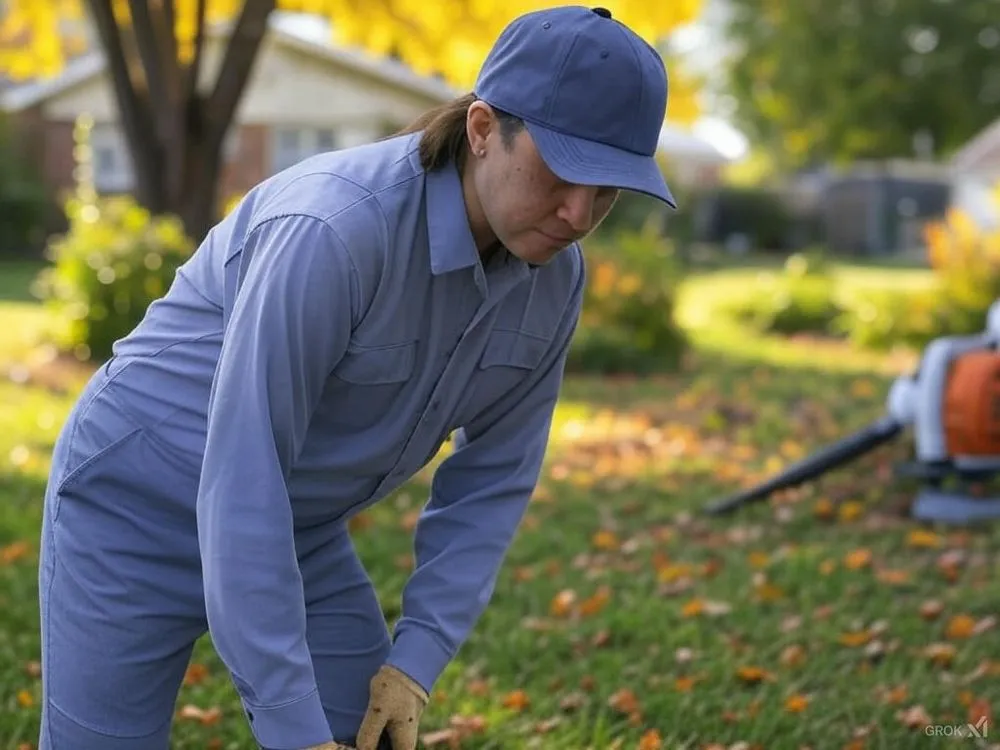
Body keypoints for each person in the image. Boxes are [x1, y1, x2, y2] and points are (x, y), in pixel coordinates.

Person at [36, 5, 677, 749]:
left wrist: (415, 663)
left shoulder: (556, 279)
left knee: (369, 732)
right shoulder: (333, 229)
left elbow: (493, 482)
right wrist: (292, 727)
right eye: (563, 171)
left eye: (608, 190)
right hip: (132, 510)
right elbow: (245, 474)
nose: (577, 213)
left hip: (295, 529)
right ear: (482, 129)